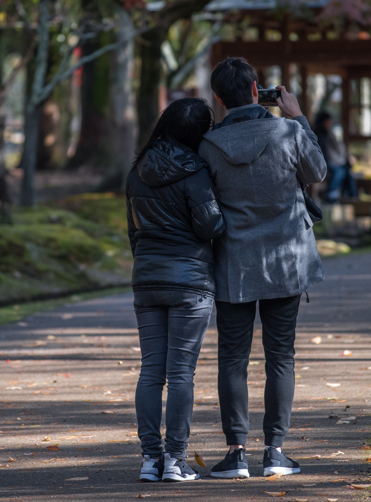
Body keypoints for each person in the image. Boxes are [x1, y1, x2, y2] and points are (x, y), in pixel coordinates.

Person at [199, 57, 328, 479]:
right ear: (258, 90)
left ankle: (236, 453)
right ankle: (275, 452)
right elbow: (319, 171)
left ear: (218, 99)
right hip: (287, 259)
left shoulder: (209, 145)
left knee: (232, 358)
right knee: (280, 357)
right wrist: (300, 117)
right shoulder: (289, 131)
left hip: (234, 261)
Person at [126, 98, 226, 483]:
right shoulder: (195, 172)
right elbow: (211, 226)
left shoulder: (137, 171)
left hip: (146, 279)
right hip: (190, 281)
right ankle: (175, 460)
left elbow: (133, 231)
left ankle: (150, 460)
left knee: (151, 371)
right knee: (181, 373)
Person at [312, 111, 357, 203]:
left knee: (346, 171)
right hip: (321, 162)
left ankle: (350, 196)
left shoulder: (327, 133)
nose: (329, 124)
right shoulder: (318, 134)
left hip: (328, 161)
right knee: (340, 171)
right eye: (328, 121)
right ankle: (332, 193)